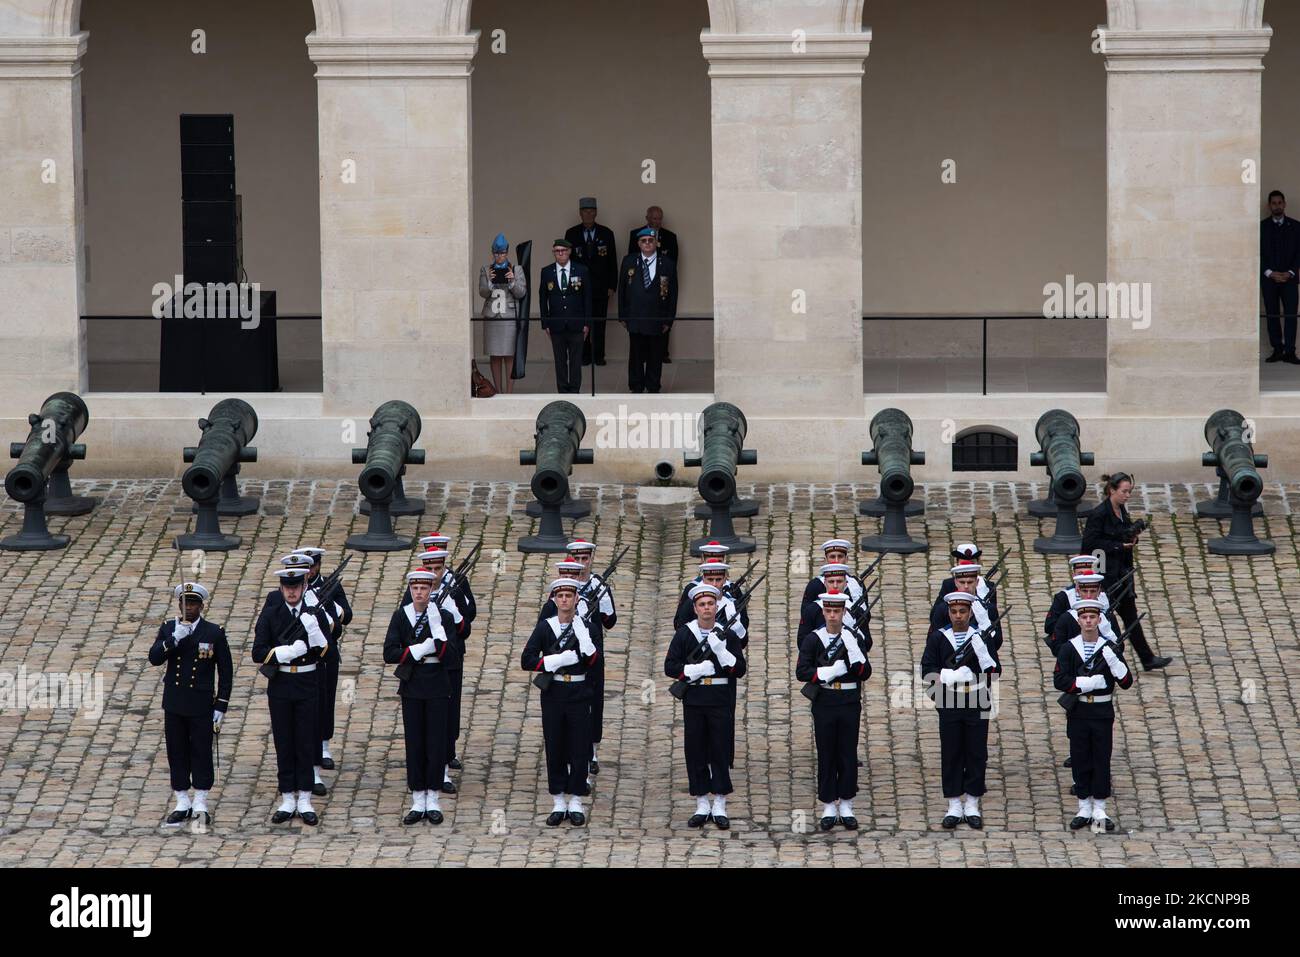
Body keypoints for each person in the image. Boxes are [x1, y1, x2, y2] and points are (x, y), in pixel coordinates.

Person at [251, 566, 333, 825]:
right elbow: (258, 652)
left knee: (306, 740)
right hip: (282, 683)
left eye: (296, 587)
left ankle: (305, 797)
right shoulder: (271, 615)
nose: (292, 592)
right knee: (284, 741)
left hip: (308, 682)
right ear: (281, 589)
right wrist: (285, 652)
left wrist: (316, 633)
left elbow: (329, 655)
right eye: (287, 587)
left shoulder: (314, 616)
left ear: (303, 587)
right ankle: (287, 796)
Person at [148, 581, 232, 827]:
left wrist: (221, 706)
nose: (188, 608)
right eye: (184, 603)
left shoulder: (213, 632)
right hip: (174, 701)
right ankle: (182, 800)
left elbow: (226, 672)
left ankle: (201, 801)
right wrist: (172, 640)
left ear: (201, 606)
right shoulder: (169, 629)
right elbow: (154, 658)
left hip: (201, 703)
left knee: (202, 751)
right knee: (177, 751)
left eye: (193, 604)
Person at [664, 583, 746, 829]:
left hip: (720, 698)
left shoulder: (727, 635)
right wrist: (693, 670)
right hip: (695, 699)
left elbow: (739, 670)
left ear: (717, 606)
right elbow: (670, 666)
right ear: (695, 608)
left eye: (711, 603)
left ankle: (719, 802)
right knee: (696, 748)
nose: (707, 608)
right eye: (702, 604)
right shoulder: (684, 634)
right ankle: (701, 802)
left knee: (720, 749)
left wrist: (723, 653)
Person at [384, 569, 460, 825]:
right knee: (415, 741)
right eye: (415, 589)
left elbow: (453, 656)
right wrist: (418, 649)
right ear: (410, 590)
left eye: (424, 589)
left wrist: (438, 636)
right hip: (414, 683)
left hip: (437, 682)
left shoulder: (444, 617)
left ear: (431, 590)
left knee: (436, 742)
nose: (419, 593)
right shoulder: (401, 616)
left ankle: (433, 797)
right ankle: (418, 797)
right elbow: (389, 652)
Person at [522, 577, 600, 826]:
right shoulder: (546, 627)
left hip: (578, 692)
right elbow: (527, 659)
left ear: (577, 599)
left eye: (569, 596)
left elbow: (594, 662)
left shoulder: (587, 628)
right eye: (560, 596)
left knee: (579, 746)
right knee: (555, 745)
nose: (565, 600)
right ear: (554, 599)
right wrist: (554, 661)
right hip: (554, 692)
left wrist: (584, 638)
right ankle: (558, 800)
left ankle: (576, 799)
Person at [920, 591, 1000, 829]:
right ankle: (954, 803)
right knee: (952, 751)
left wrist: (984, 654)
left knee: (976, 752)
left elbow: (995, 672)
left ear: (970, 613)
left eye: (962, 611)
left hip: (976, 698)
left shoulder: (980, 638)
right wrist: (949, 675)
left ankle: (973, 802)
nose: (958, 616)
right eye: (954, 612)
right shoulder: (938, 638)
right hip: (949, 699)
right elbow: (926, 670)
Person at [1054, 598, 1133, 832]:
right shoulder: (1070, 648)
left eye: (1093, 617)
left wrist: (1114, 662)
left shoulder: (1108, 649)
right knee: (1080, 758)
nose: (1088, 621)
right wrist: (1085, 683)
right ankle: (1083, 807)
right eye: (1084, 617)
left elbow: (1127, 681)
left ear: (1100, 620)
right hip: (1078, 710)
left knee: (1101, 758)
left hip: (1101, 711)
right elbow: (1060, 679)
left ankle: (1099, 807)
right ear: (1078, 620)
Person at [1082, 472, 1172, 671]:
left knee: (1131, 616)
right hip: (1104, 574)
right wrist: (1117, 546)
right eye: (1124, 491)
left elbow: (1123, 534)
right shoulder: (1099, 514)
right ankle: (1095, 657)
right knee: (1103, 619)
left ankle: (1147, 658)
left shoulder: (1120, 510)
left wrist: (1131, 538)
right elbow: (1089, 545)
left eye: (1129, 492)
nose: (1127, 495)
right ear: (1112, 490)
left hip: (1122, 572)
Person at [540, 539, 616, 775]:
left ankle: (591, 749)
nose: (582, 566)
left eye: (585, 560)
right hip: (564, 662)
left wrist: (604, 605)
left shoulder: (597, 586)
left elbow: (610, 623)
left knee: (595, 703)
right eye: (577, 561)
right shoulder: (557, 598)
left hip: (591, 656)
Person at [796, 588, 869, 830]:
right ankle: (828, 803)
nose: (832, 616)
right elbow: (802, 671)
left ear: (844, 612)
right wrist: (825, 673)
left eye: (837, 611)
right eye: (828, 611)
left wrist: (854, 650)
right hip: (824, 701)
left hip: (848, 700)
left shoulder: (853, 637)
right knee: (827, 752)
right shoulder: (813, 639)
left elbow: (865, 672)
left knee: (847, 752)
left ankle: (847, 803)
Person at [400, 541, 469, 793]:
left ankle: (444, 764)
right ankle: (423, 774)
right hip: (420, 668)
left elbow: (466, 626)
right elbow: (402, 634)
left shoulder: (454, 588)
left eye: (437, 569)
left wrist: (454, 611)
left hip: (447, 662)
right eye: (428, 568)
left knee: (448, 716)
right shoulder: (414, 595)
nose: (433, 573)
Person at [291, 547, 351, 777]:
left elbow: (346, 615)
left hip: (326, 652)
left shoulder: (330, 585)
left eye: (312, 566)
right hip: (299, 654)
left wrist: (329, 606)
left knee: (326, 698)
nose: (309, 571)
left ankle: (324, 745)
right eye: (305, 567)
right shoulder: (291, 589)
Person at [618, 227, 678, 393]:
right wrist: (622, 315)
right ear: (638, 243)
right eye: (643, 241)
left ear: (656, 243)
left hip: (657, 317)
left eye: (650, 240)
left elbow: (673, 294)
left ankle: (653, 385)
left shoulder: (667, 263)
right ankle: (636, 386)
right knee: (636, 354)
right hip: (635, 316)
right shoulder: (629, 261)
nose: (647, 244)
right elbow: (622, 288)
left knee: (655, 354)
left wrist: (669, 320)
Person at [566, 198, 618, 367]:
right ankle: (584, 355)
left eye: (591, 211)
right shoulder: (571, 233)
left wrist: (612, 285)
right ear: (580, 213)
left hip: (601, 287)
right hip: (578, 286)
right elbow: (568, 261)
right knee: (582, 323)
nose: (588, 214)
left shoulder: (606, 233)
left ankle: (599, 355)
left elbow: (612, 261)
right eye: (585, 211)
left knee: (599, 323)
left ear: (596, 212)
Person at [626, 206, 680, 363]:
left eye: (659, 218)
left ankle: (663, 354)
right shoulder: (635, 235)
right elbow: (630, 263)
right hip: (640, 289)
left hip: (661, 287)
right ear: (647, 218)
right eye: (654, 218)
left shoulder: (670, 237)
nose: (657, 222)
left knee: (661, 320)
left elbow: (672, 264)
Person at [539, 239, 592, 393]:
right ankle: (562, 390)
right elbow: (543, 298)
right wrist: (545, 323)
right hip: (556, 325)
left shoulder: (581, 270)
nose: (560, 253)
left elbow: (587, 298)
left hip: (577, 324)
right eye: (557, 251)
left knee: (576, 361)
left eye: (563, 250)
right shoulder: (547, 271)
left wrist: (587, 323)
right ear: (554, 253)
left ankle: (575, 391)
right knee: (560, 361)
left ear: (569, 251)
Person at [478, 232, 527, 393]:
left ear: (507, 252)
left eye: (503, 253)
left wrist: (512, 281)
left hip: (509, 317)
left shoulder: (517, 269)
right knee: (495, 354)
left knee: (509, 354)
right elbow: (483, 292)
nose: (499, 256)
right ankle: (498, 391)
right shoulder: (486, 269)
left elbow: (521, 293)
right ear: (493, 252)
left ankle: (509, 392)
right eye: (497, 253)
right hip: (492, 316)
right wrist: (490, 282)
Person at [1260, 190, 1300, 364]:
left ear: (1284, 204)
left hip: (1290, 279)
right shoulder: (1261, 227)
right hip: (1269, 279)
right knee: (1272, 314)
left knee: (1291, 315)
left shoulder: (1297, 226)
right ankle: (1277, 349)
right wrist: (1270, 272)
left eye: (1279, 202)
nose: (1277, 206)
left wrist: (1290, 272)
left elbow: (1299, 253)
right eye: (1273, 203)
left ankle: (1290, 352)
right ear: (1269, 206)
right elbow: (1257, 253)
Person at [929, 559, 1002, 649]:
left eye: (970, 582)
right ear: (955, 582)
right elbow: (932, 642)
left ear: (977, 582)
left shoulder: (988, 609)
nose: (966, 586)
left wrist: (986, 623)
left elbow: (997, 643)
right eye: (962, 582)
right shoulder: (943, 609)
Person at [797, 563, 871, 652]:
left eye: (839, 581)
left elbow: (867, 644)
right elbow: (802, 643)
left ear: (846, 583)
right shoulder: (812, 610)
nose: (835, 586)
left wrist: (856, 638)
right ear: (825, 583)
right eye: (831, 581)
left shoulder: (857, 611)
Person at [799, 539, 865, 608]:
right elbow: (805, 615)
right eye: (832, 557)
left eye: (840, 556)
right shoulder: (815, 585)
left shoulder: (856, 584)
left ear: (846, 559)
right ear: (825, 560)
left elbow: (866, 615)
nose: (836, 561)